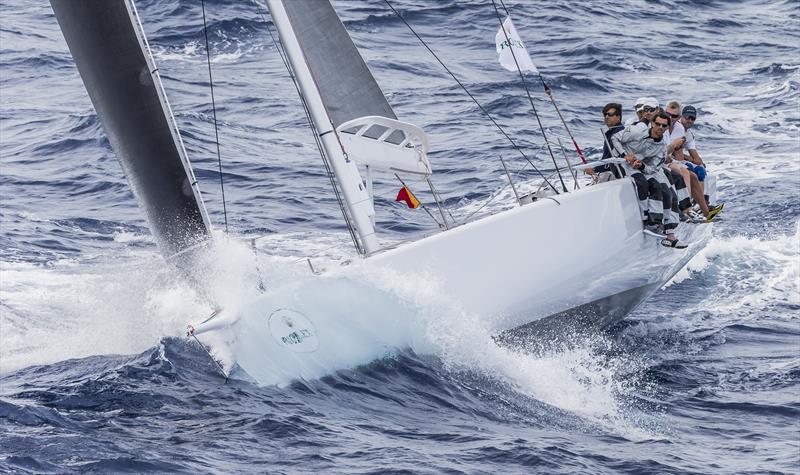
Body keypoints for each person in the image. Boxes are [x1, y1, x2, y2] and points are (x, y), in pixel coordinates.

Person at [612, 111, 687, 248]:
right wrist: (624, 155)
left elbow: (652, 168)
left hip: (641, 168)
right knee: (643, 182)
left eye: (664, 126)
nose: (660, 127)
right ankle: (649, 221)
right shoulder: (636, 131)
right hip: (623, 165)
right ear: (652, 123)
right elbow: (615, 138)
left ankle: (669, 233)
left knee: (667, 191)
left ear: (667, 128)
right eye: (657, 124)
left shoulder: (661, 148)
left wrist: (641, 165)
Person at [671, 105, 724, 220]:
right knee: (689, 170)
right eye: (687, 117)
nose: (689, 120)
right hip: (670, 160)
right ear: (681, 117)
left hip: (676, 159)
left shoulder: (689, 134)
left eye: (692, 118)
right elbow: (676, 154)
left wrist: (697, 162)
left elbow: (695, 156)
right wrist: (688, 160)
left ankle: (701, 205)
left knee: (700, 170)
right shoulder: (677, 128)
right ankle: (688, 206)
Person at [586, 103, 625, 179]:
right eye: (605, 114)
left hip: (618, 174)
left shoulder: (618, 133)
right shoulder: (610, 133)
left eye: (610, 114)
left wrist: (594, 169)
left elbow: (611, 158)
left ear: (618, 117)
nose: (606, 117)